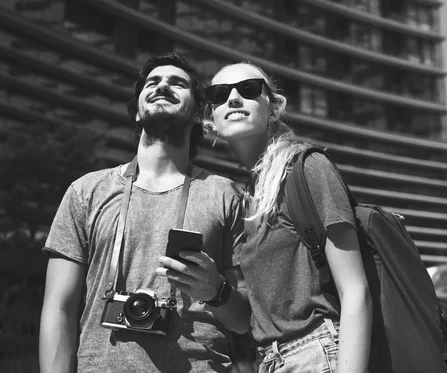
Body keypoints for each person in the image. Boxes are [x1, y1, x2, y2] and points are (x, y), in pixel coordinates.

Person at [39, 52, 251, 373]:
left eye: (177, 83)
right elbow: (58, 308)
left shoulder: (228, 195)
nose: (162, 85)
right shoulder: (86, 190)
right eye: (152, 82)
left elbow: (246, 320)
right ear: (137, 112)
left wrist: (216, 290)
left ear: (198, 114)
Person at [203, 62, 372, 373]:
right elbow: (252, 320)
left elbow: (355, 290)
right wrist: (211, 288)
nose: (234, 99)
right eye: (219, 94)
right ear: (211, 119)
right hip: (271, 360)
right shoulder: (251, 195)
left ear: (274, 107)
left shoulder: (306, 167)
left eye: (249, 90)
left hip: (317, 353)